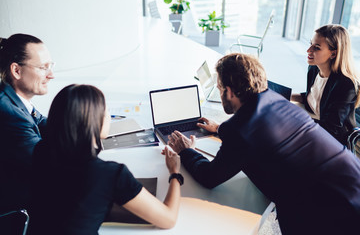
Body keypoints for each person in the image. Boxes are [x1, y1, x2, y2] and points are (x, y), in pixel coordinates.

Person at [166, 53, 360, 235]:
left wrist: (186, 150)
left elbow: (209, 177)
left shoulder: (239, 130)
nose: (219, 91)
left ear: (230, 91)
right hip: (352, 177)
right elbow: (266, 133)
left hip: (329, 210)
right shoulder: (276, 100)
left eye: (219, 87)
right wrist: (219, 129)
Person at [28, 84, 182, 235]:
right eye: (106, 110)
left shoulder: (41, 151)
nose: (109, 115)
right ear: (94, 120)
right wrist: (175, 173)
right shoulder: (109, 173)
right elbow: (168, 219)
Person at [0, 34, 55, 212]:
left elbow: (45, 124)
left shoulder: (15, 100)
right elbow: (48, 166)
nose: (51, 75)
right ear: (16, 71)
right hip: (22, 212)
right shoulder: (9, 113)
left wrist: (85, 124)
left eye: (50, 66)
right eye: (43, 67)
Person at [291, 24, 359, 145]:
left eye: (316, 47)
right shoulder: (314, 69)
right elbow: (312, 96)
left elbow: (332, 128)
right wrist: (285, 95)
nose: (308, 50)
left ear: (333, 54)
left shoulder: (345, 84)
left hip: (333, 139)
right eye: (310, 43)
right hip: (316, 122)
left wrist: (294, 120)